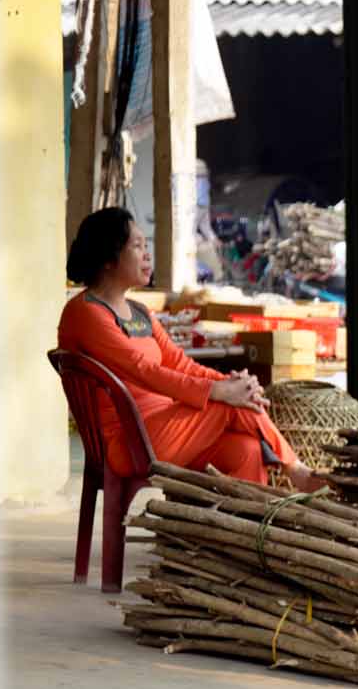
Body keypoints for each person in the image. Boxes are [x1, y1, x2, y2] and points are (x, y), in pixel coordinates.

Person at [56, 207, 323, 491]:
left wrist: (231, 384)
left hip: (173, 431)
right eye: (137, 246)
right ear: (108, 257)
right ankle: (296, 470)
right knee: (227, 404)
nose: (147, 254)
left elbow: (181, 364)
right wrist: (219, 392)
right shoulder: (85, 312)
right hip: (131, 443)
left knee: (248, 450)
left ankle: (237, 532)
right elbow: (143, 370)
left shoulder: (140, 312)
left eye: (146, 245)